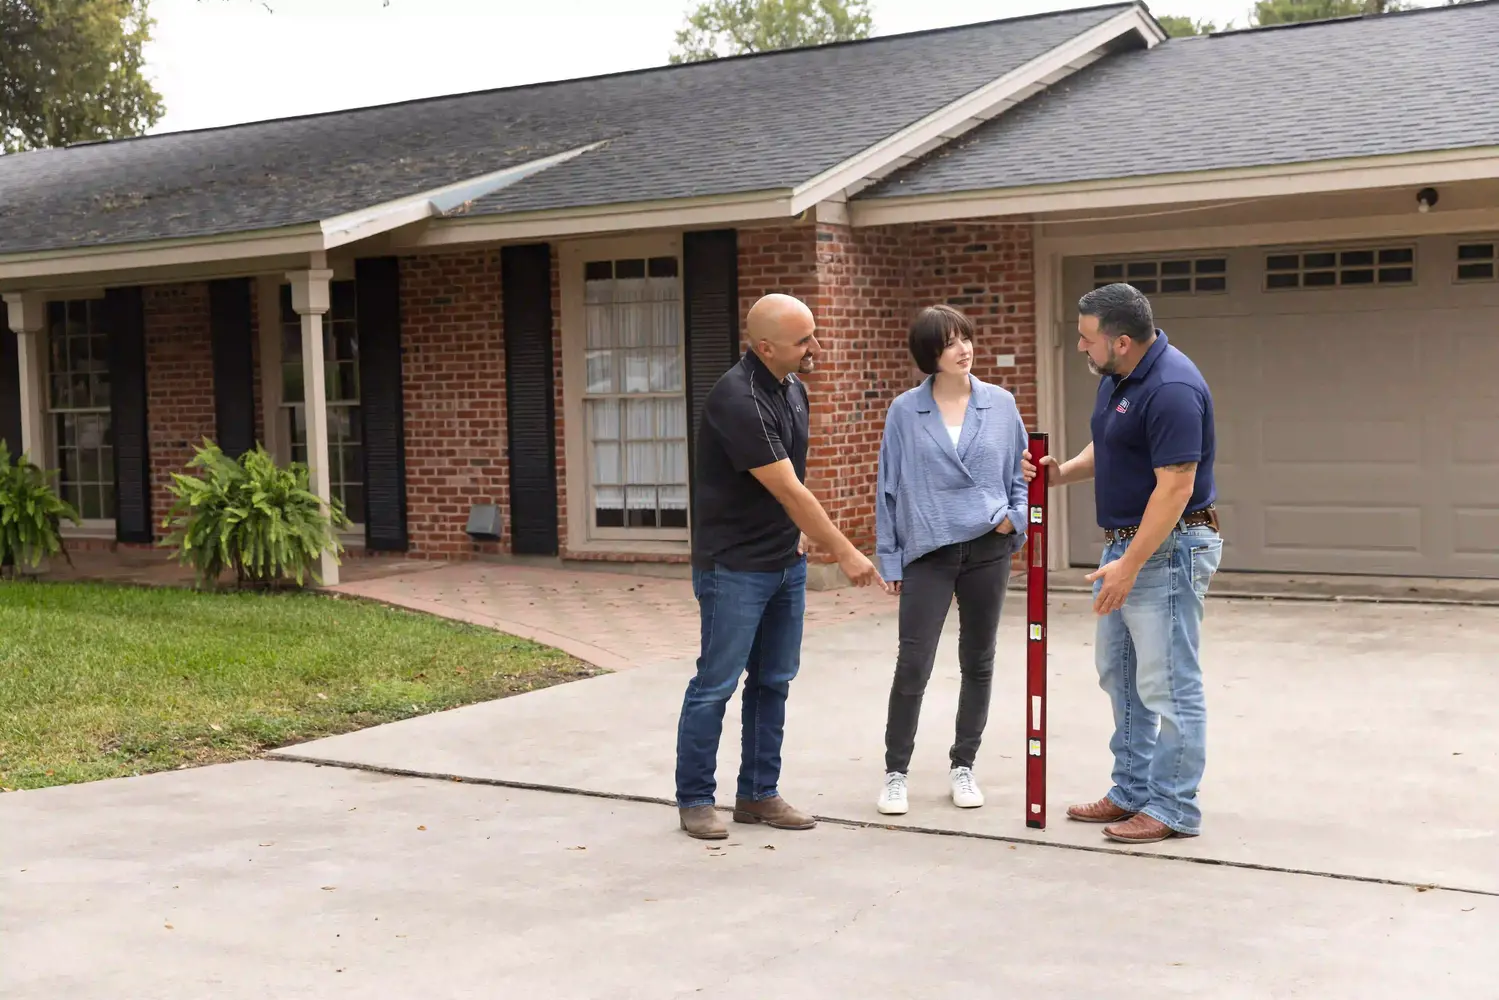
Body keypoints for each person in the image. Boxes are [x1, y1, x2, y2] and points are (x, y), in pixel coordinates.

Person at [674, 292, 883, 841]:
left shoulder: (792, 389)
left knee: (773, 681)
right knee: (715, 684)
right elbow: (790, 490)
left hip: (783, 564)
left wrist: (800, 542)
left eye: (813, 335)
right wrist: (844, 550)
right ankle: (696, 798)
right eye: (803, 340)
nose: (815, 347)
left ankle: (758, 794)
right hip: (734, 568)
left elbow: (793, 490)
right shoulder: (737, 399)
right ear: (765, 347)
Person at [1022, 282, 1222, 844]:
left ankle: (1174, 807)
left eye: (1088, 340)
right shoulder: (1118, 379)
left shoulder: (1173, 387)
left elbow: (1177, 487)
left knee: (1170, 683)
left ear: (1124, 340)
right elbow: (1110, 449)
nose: (1081, 348)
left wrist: (1131, 564)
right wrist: (1060, 474)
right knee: (1121, 675)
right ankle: (1132, 790)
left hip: (1169, 549)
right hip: (1127, 549)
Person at [873, 305, 1031, 817]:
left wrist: (1015, 519)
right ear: (929, 354)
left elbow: (1022, 474)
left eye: (965, 338)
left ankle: (964, 765)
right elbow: (888, 488)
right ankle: (896, 773)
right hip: (928, 551)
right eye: (949, 342)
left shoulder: (1001, 404)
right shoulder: (904, 411)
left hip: (988, 548)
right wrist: (891, 560)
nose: (963, 349)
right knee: (913, 663)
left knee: (978, 661)